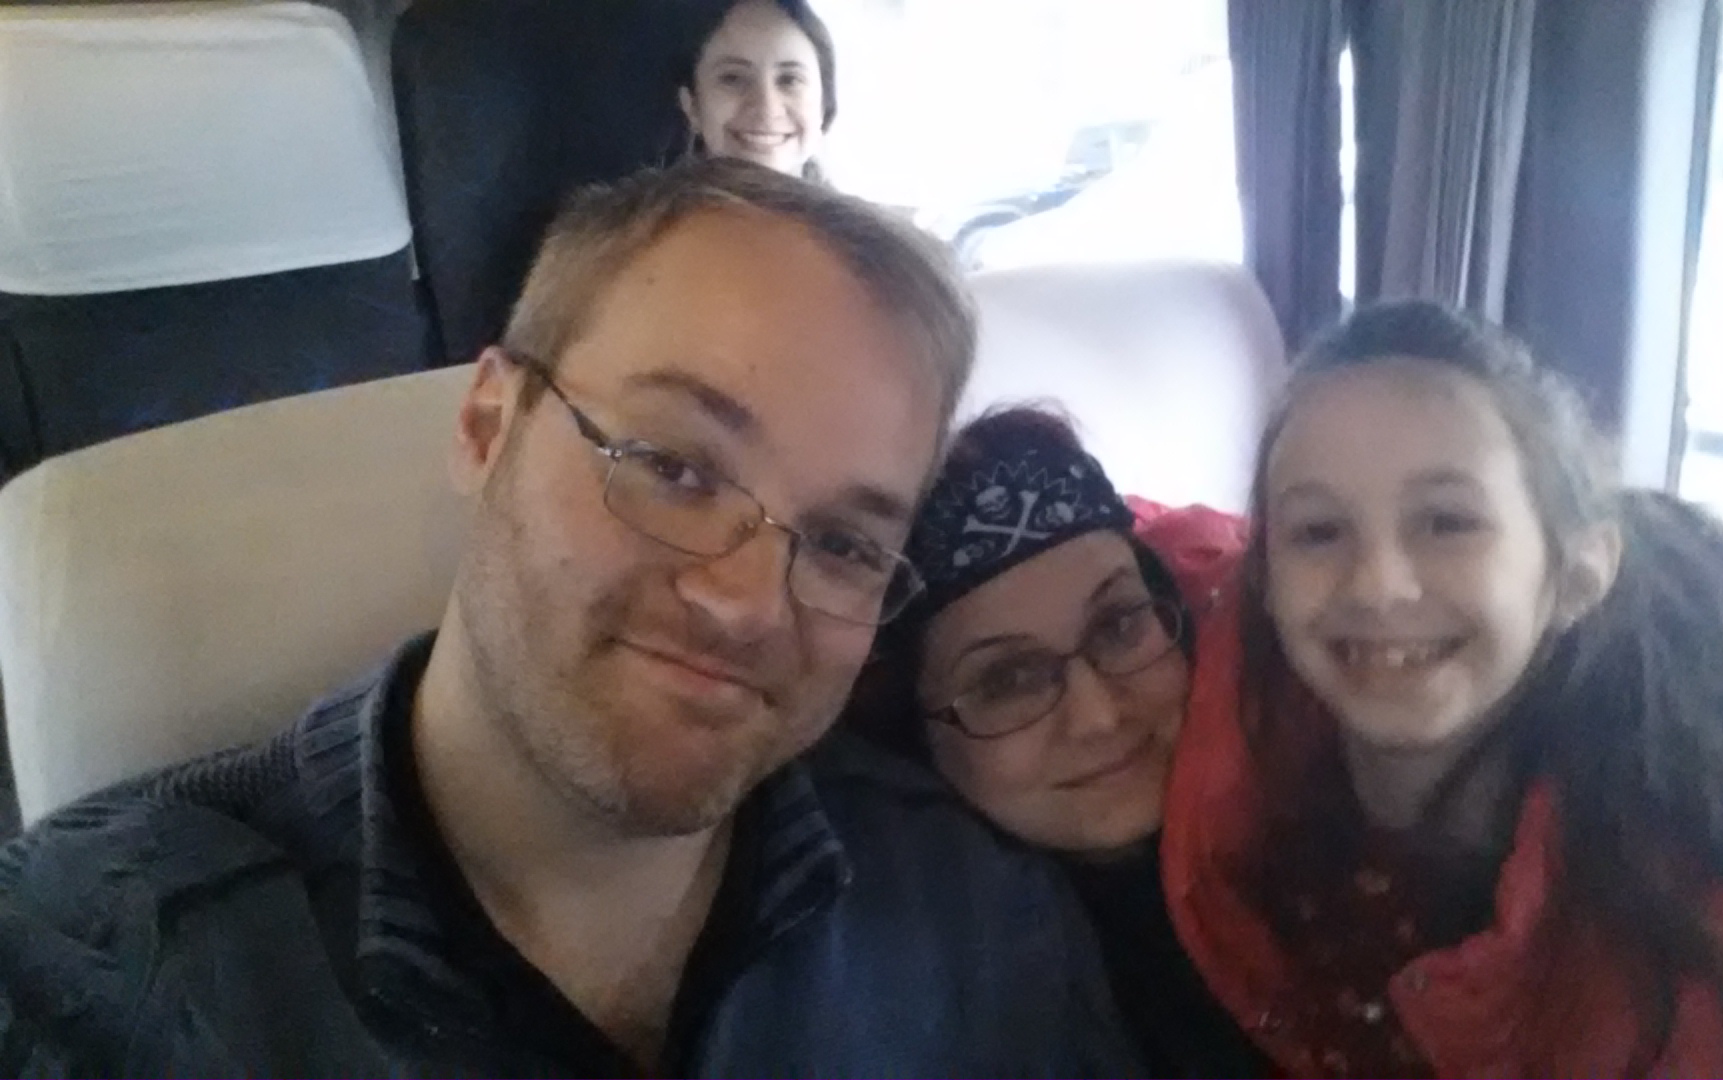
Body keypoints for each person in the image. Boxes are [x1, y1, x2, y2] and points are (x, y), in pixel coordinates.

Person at [0, 159, 1147, 1078]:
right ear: (487, 426)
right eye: (674, 467)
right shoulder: (91, 969)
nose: (748, 606)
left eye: (845, 545)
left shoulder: (978, 920)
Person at [1160, 299, 1723, 1078]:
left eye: (1446, 522)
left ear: (1576, 575)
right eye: (1318, 531)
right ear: (1264, 579)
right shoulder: (1236, 718)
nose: (1377, 584)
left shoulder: (1721, 972)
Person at [848, 406, 1265, 1080]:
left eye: (1119, 624)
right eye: (1009, 680)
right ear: (917, 732)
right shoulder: (936, 992)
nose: (1098, 716)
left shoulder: (1317, 807)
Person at [676, 0, 834, 179]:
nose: (767, 109)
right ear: (692, 106)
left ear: (824, 105)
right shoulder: (655, 198)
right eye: (733, 79)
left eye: (789, 80)